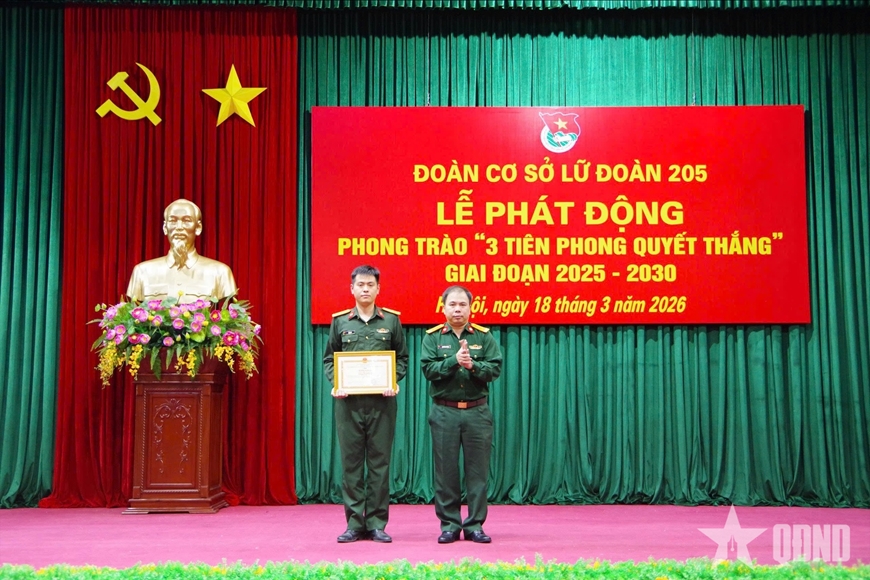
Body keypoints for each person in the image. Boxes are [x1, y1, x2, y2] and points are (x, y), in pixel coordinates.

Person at [323, 265, 409, 543]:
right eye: (360, 285)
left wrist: (393, 380)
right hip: (348, 405)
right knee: (351, 465)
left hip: (382, 404)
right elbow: (329, 359)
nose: (365, 289)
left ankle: (377, 523)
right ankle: (353, 523)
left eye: (370, 285)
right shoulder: (340, 322)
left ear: (378, 289)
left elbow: (402, 358)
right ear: (352, 288)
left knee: (379, 464)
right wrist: (336, 382)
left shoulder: (392, 321)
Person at [421, 285, 502, 544]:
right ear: (443, 307)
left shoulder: (484, 337)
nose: (457, 309)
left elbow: (495, 370)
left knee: (477, 472)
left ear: (470, 307)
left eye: (462, 305)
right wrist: (454, 360)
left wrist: (473, 365)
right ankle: (449, 525)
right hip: (444, 411)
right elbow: (428, 370)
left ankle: (475, 525)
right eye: (452, 304)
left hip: (477, 412)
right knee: (446, 472)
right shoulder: (432, 337)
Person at [126, 199, 237, 303]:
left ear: (198, 227)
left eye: (186, 221)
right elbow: (132, 310)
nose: (179, 227)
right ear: (165, 228)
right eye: (173, 221)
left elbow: (229, 311)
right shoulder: (142, 271)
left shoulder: (220, 272)